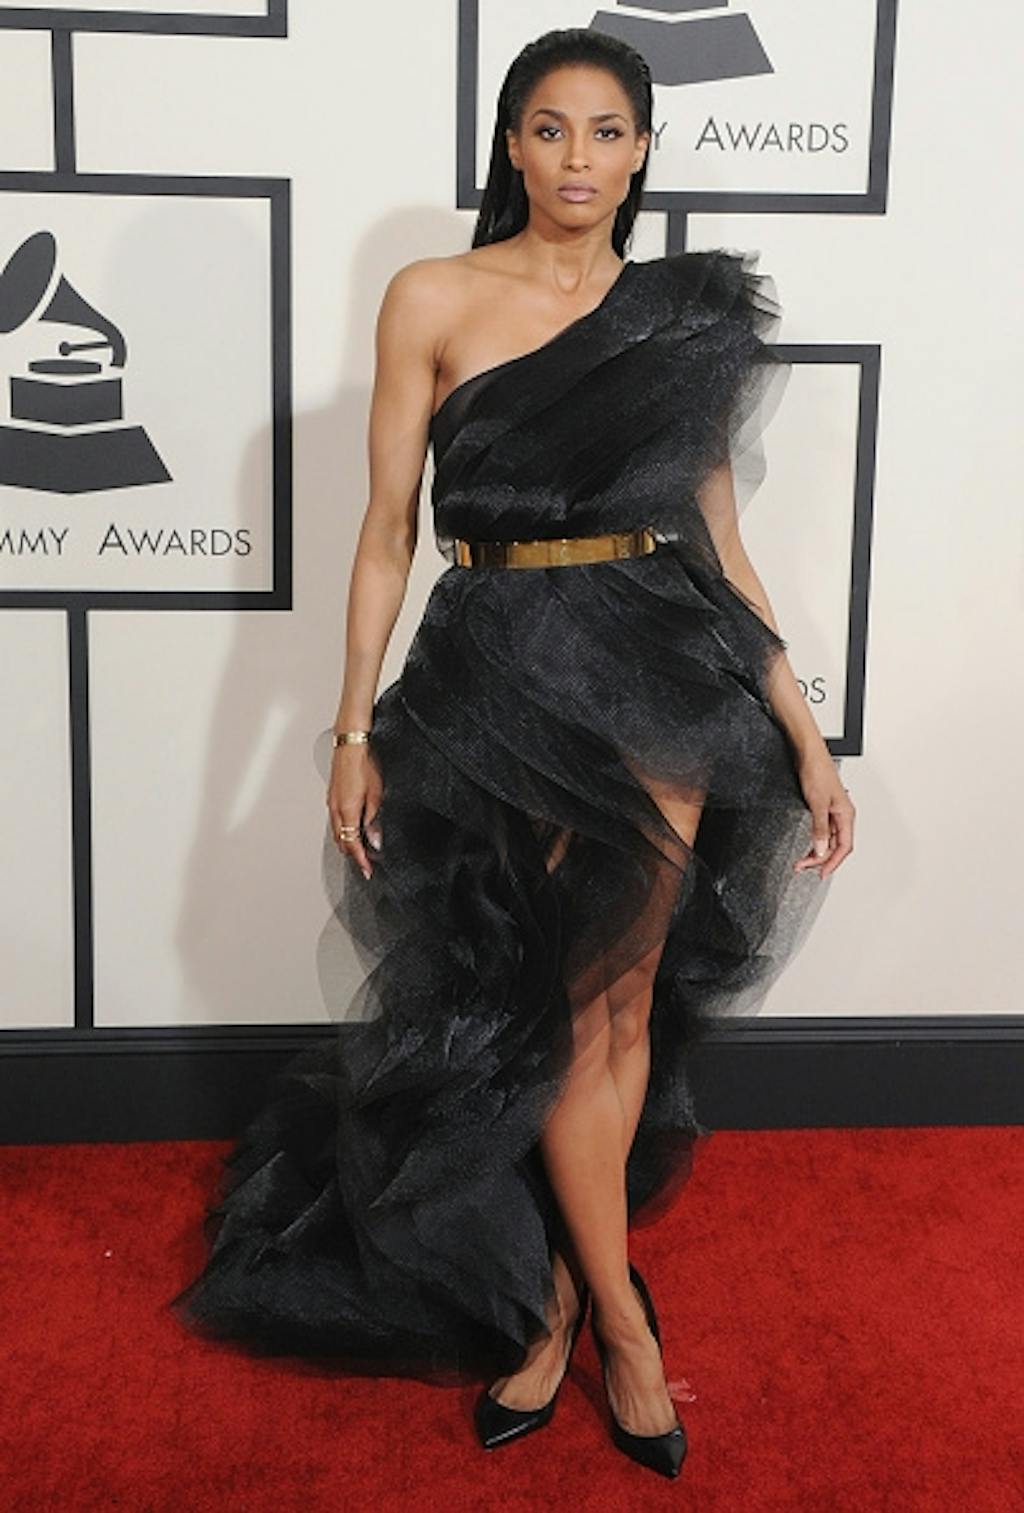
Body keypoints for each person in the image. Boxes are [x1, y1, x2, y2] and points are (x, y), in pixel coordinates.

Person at [171, 27, 854, 1482]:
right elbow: (384, 534)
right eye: (550, 129)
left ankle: (569, 1308)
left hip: (659, 672)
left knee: (616, 1006)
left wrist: (806, 734)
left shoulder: (677, 322)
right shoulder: (433, 294)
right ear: (510, 143)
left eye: (607, 132)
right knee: (542, 1012)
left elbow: (723, 548)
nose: (578, 159)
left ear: (644, 150)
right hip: (499, 676)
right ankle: (612, 1315)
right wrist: (349, 727)